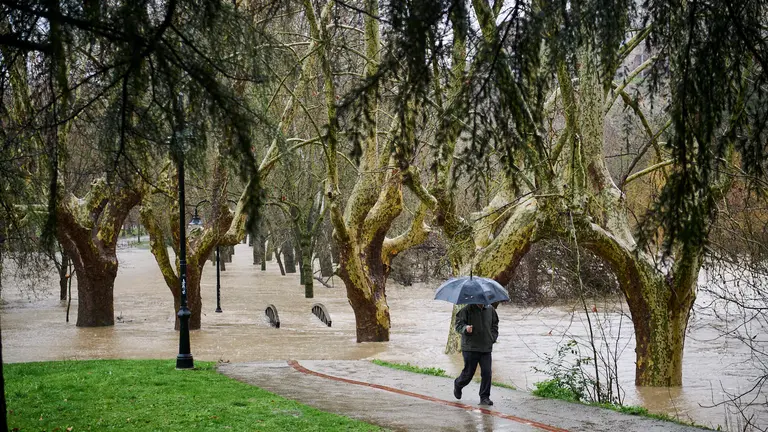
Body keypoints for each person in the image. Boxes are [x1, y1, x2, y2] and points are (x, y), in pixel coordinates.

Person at [453, 303, 499, 405]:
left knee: (487, 373)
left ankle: (484, 397)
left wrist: (493, 337)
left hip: (486, 347)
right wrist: (465, 328)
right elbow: (458, 325)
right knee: (468, 374)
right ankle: (458, 384)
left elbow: (495, 324)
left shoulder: (490, 309)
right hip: (470, 348)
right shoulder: (467, 309)